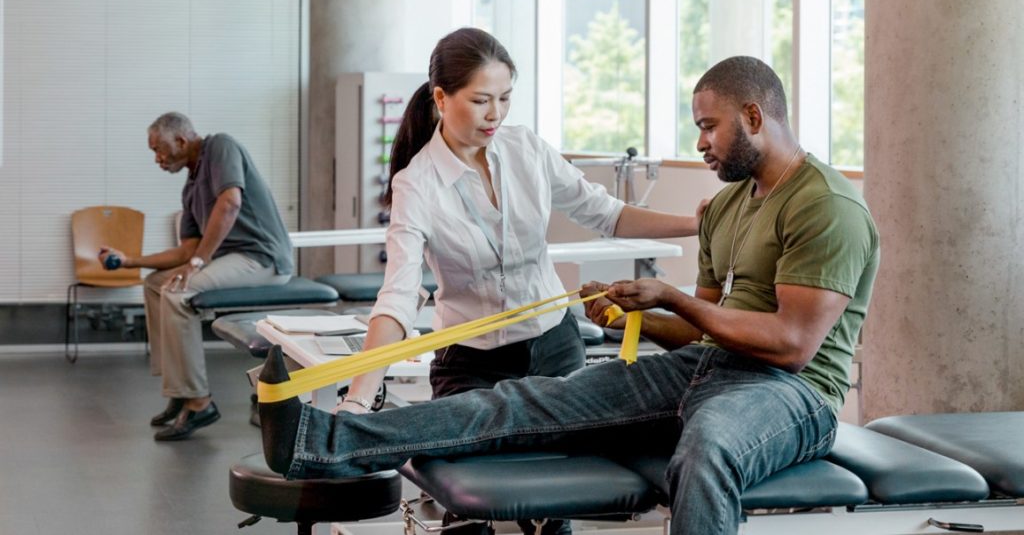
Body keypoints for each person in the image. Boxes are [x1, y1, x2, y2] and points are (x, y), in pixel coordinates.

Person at [257, 55, 880, 535]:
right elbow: (701, 331)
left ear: (752, 117)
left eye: (708, 128)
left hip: (792, 393)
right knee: (522, 402)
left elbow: (793, 347)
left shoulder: (825, 205)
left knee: (707, 451)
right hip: (708, 368)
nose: (700, 144)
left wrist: (670, 297)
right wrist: (628, 312)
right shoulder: (728, 206)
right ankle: (321, 441)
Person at [341, 27, 702, 415]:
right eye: (481, 100)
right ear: (441, 98)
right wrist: (358, 399)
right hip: (472, 363)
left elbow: (607, 213)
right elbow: (398, 297)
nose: (495, 113)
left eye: (505, 97)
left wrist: (696, 224)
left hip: (556, 346)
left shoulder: (525, 148)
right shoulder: (416, 184)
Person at [100, 112, 294, 441]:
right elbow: (185, 251)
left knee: (179, 294)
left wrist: (200, 261)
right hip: (233, 259)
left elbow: (230, 203)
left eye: (158, 150)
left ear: (181, 140)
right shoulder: (190, 189)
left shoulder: (220, 146)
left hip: (262, 259)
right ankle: (179, 390)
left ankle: (199, 402)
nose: (157, 159)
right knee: (157, 285)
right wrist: (130, 260)